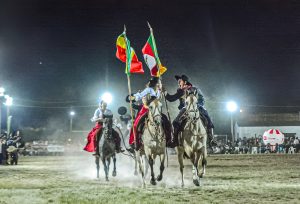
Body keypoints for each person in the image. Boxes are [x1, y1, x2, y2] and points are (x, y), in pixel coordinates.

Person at [163, 74, 217, 148]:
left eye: (180, 81)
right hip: (185, 108)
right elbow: (171, 99)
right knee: (175, 122)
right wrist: (164, 91)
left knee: (207, 118)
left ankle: (211, 138)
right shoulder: (180, 91)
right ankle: (175, 140)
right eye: (178, 81)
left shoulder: (195, 89)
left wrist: (197, 105)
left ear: (185, 82)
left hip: (197, 107)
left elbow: (202, 99)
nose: (178, 83)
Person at [126, 77, 172, 152]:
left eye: (161, 83)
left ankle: (168, 140)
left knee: (167, 122)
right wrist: (132, 98)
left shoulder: (160, 91)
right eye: (160, 82)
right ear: (156, 84)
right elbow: (139, 96)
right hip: (146, 109)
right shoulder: (148, 90)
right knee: (135, 125)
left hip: (157, 111)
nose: (161, 84)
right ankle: (135, 143)